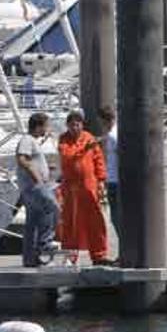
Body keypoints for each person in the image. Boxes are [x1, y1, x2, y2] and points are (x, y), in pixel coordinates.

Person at [58, 110, 113, 266]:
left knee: (95, 220)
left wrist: (101, 180)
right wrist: (84, 149)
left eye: (77, 124)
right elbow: (67, 156)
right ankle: (70, 255)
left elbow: (99, 160)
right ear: (67, 125)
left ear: (82, 125)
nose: (75, 127)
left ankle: (99, 255)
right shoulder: (63, 139)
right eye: (72, 124)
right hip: (70, 187)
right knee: (70, 222)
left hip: (89, 185)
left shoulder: (89, 138)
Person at [16, 112, 59, 267]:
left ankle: (30, 259)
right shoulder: (27, 140)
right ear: (39, 126)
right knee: (52, 207)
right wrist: (36, 176)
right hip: (34, 186)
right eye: (46, 126)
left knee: (32, 223)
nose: (47, 130)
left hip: (30, 187)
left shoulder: (32, 141)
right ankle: (45, 242)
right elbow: (22, 159)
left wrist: (46, 168)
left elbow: (31, 160)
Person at [97, 105, 119, 239]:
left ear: (102, 121)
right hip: (115, 179)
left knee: (116, 218)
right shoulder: (114, 134)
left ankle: (124, 251)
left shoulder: (112, 137)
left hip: (114, 180)